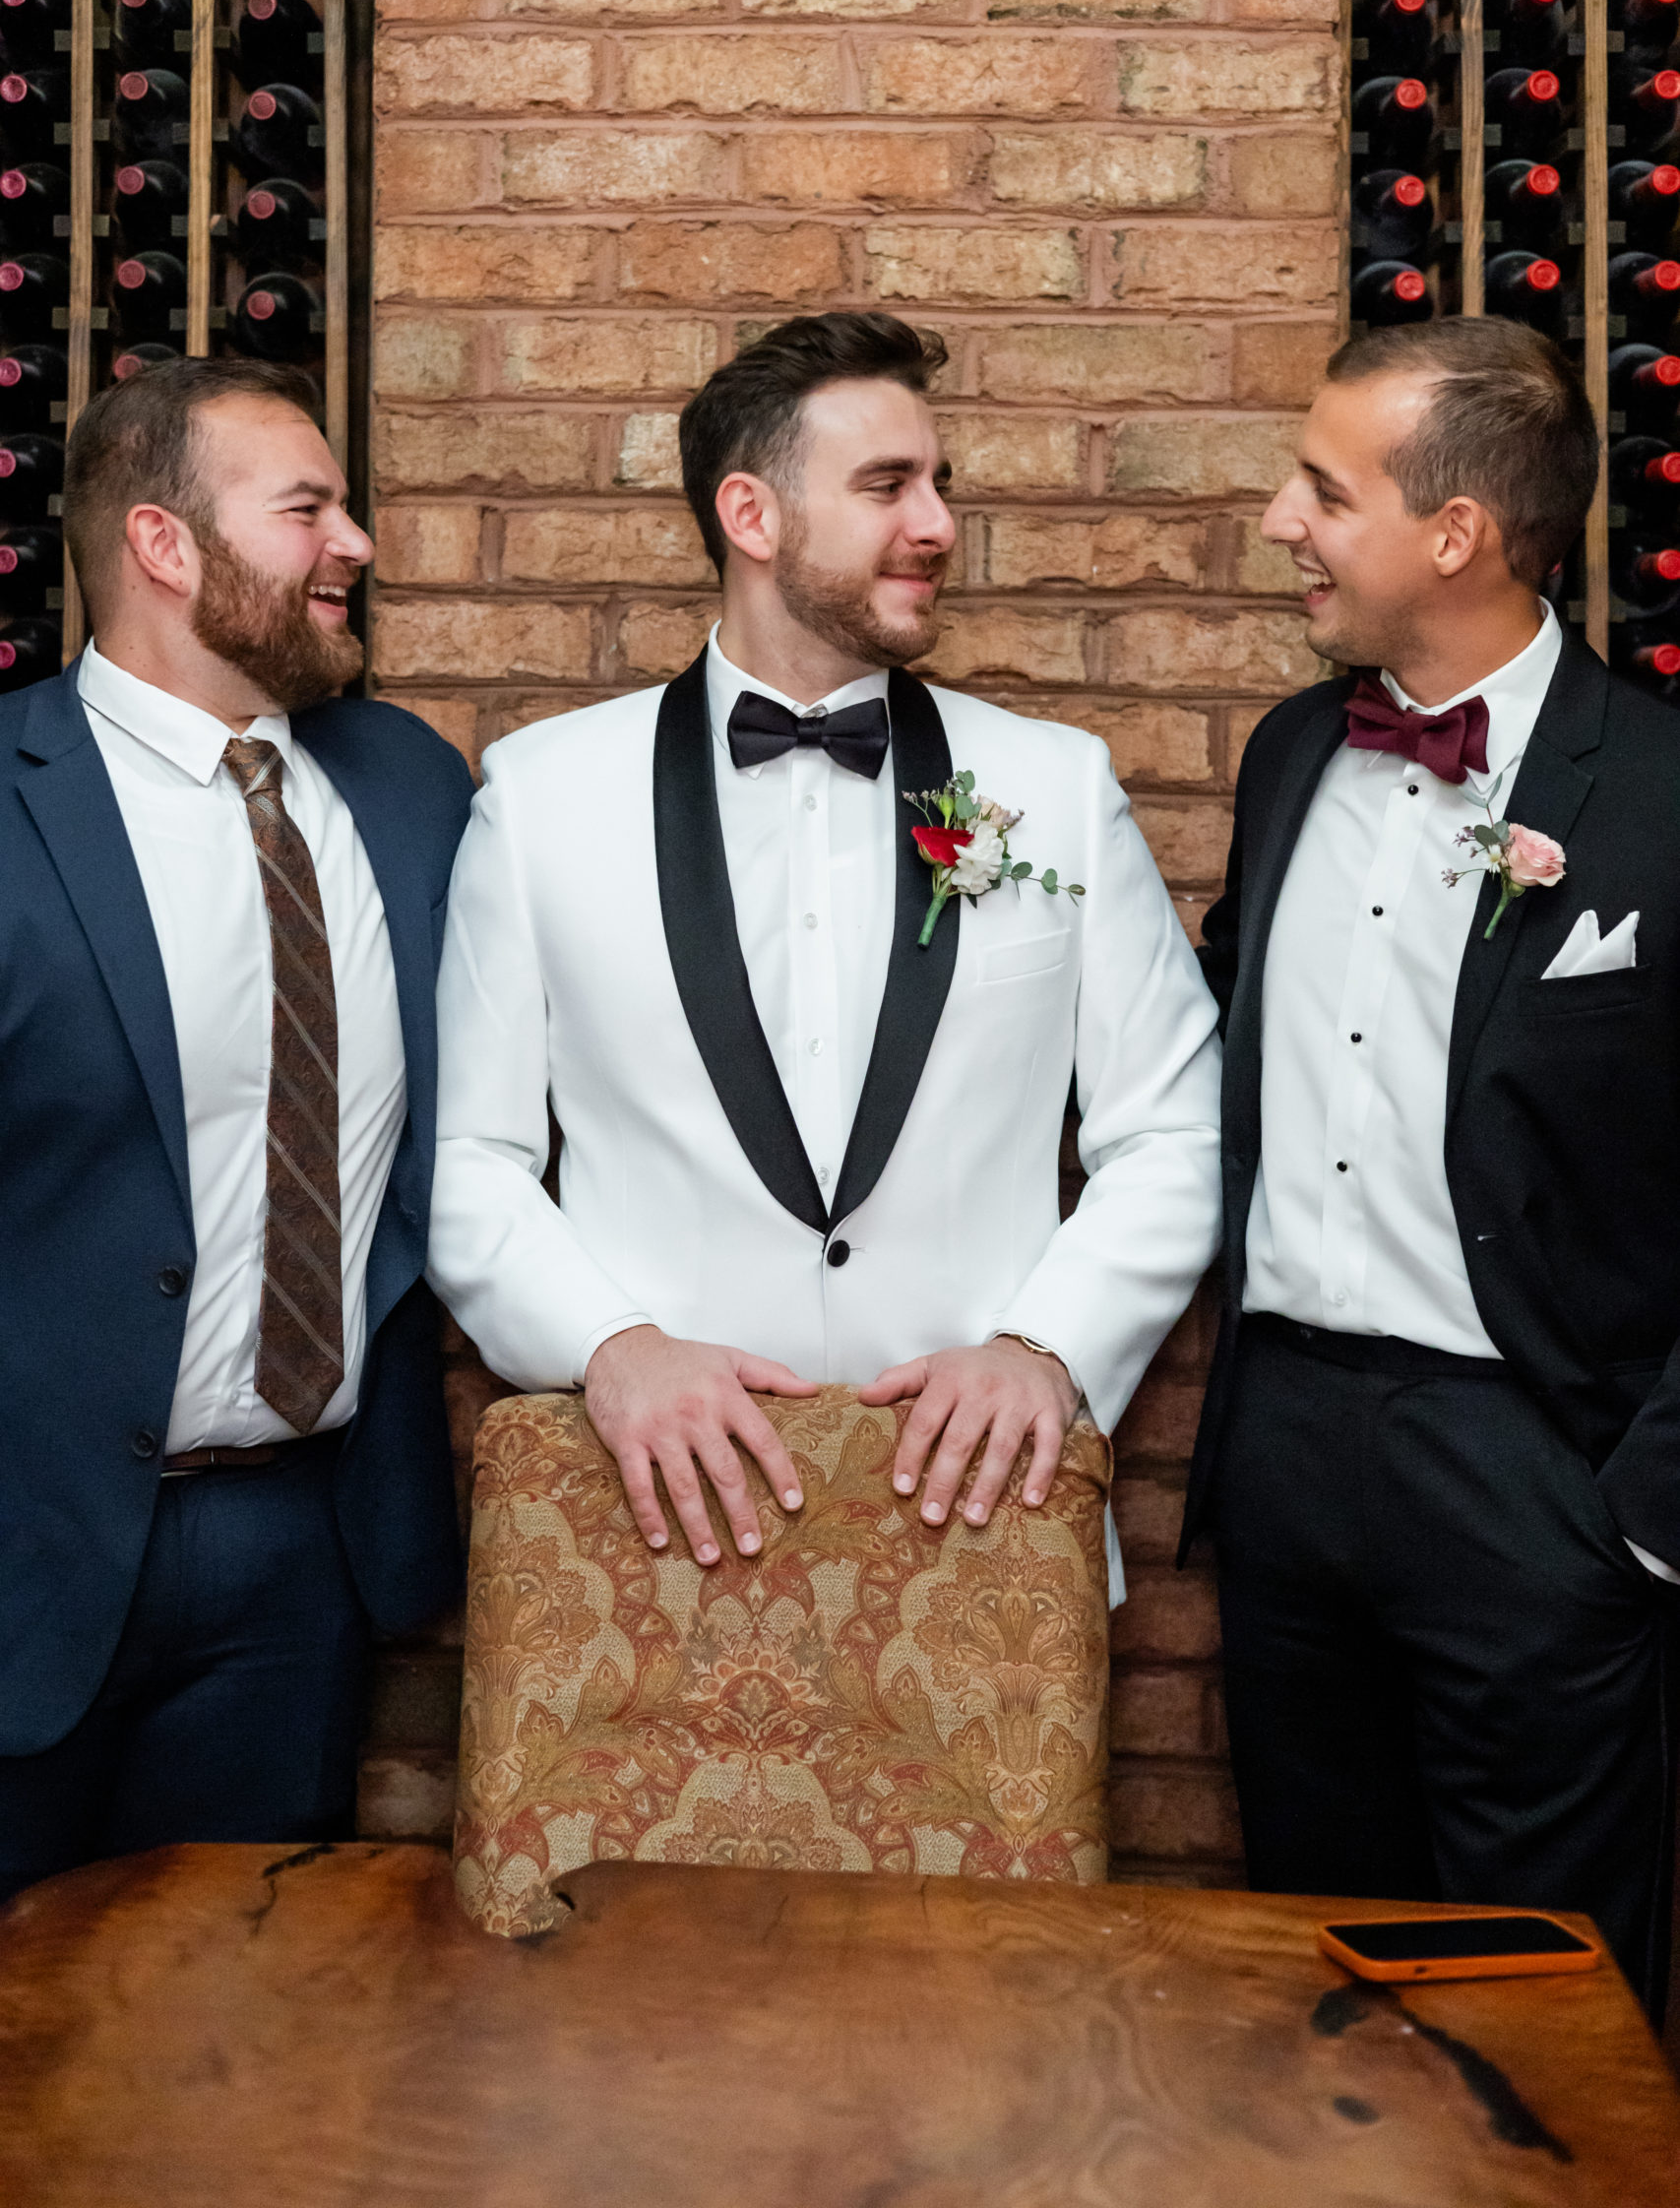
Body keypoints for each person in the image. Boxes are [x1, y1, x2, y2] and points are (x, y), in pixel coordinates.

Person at [428, 312, 1220, 1591]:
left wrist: (1047, 1348)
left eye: (940, 485)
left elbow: (1178, 1131)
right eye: (885, 486)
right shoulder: (541, 799)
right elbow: (470, 1155)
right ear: (753, 515)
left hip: (981, 1529)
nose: (938, 525)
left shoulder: (1053, 790)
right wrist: (610, 1349)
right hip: (649, 1537)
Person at [1181, 314, 1680, 2011]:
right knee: (1318, 1971)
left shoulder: (1667, 794)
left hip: (1531, 1477)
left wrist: (1642, 1523)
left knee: (1545, 2011)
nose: (1281, 521)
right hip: (1290, 1463)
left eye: (1325, 489)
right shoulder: (1291, 759)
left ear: (1453, 533)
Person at [0, 357, 473, 1899]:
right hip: (32, 1549)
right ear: (165, 546)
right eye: (309, 511)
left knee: (234, 2057)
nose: (357, 545)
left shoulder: (405, 786)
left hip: (302, 1556)